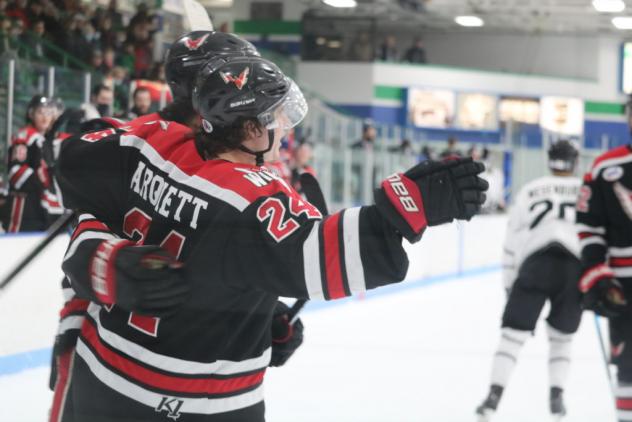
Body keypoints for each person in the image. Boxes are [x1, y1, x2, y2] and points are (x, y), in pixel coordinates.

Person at [54, 54, 488, 421]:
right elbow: (324, 259)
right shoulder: (250, 194)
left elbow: (77, 168)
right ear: (250, 128)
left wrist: (256, 312)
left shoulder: (153, 142)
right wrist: (406, 208)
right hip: (190, 401)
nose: (285, 125)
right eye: (277, 115)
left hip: (99, 376)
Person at [47, 31, 283, 422]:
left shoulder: (232, 152)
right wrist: (103, 259)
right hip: (108, 344)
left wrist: (258, 308)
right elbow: (71, 170)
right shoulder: (141, 142)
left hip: (194, 370)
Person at [476, 140, 582, 421]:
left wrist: (509, 282)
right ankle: (557, 396)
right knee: (562, 338)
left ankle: (493, 397)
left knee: (512, 336)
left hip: (536, 264)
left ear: (549, 160)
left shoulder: (530, 190)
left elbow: (511, 241)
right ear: (575, 161)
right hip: (574, 266)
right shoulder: (587, 191)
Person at [576, 96, 632, 422]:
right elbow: (589, 227)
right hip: (623, 288)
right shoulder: (604, 167)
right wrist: (596, 274)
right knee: (628, 369)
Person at [1, 95, 63, 232]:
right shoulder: (25, 136)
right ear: (31, 114)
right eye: (40, 112)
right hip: (23, 206)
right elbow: (16, 172)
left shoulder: (46, 140)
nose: (45, 117)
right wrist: (40, 185)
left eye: (49, 113)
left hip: (39, 207)